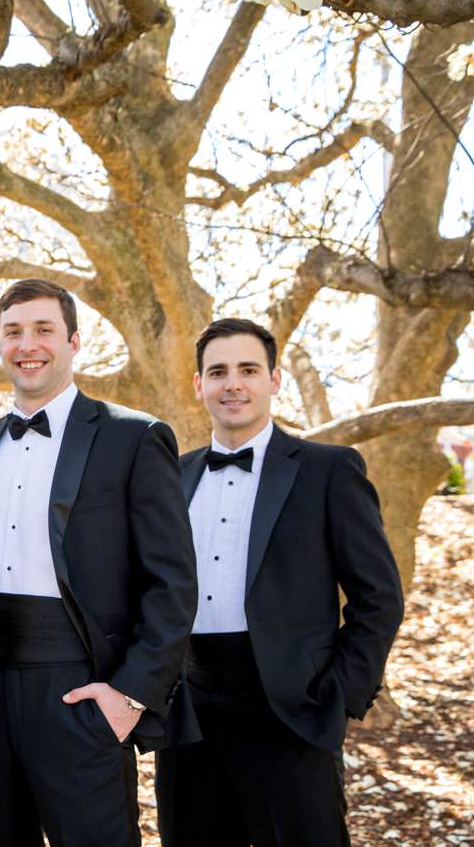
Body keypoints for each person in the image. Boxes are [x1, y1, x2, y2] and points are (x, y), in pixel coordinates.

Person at [0, 279, 198, 846]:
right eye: (12, 332)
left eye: (43, 330)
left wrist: (129, 695)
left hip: (83, 690)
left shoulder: (133, 437)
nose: (27, 344)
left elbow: (173, 583)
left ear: (73, 341)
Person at [155, 318, 404, 847]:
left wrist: (339, 697)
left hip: (292, 710)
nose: (233, 383)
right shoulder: (171, 477)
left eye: (248, 369)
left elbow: (378, 597)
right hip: (189, 712)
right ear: (199, 385)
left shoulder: (329, 470)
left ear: (274, 379)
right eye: (217, 371)